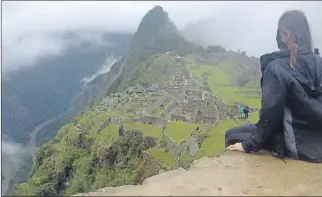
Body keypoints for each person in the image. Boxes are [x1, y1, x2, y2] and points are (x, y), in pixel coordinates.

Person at [225, 10, 322, 163]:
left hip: (297, 144)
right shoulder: (318, 61)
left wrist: (248, 145)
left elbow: (269, 115)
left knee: (231, 135)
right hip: (317, 142)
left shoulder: (277, 68)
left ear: (285, 34)